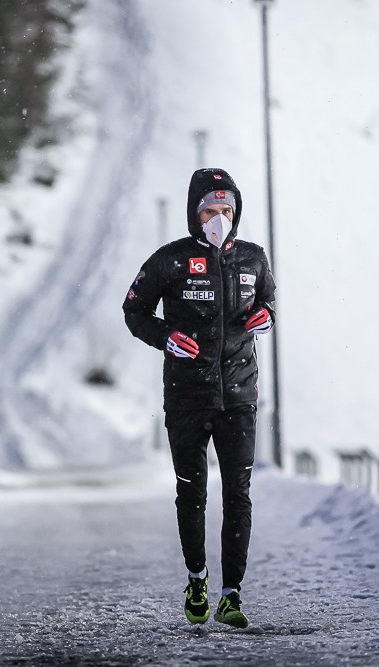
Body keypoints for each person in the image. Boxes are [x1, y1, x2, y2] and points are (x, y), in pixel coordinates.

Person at [122, 167, 275, 628]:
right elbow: (134, 310)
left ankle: (231, 595)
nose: (219, 219)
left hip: (239, 395)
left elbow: (268, 301)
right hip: (187, 396)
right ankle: (196, 579)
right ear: (194, 213)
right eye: (210, 211)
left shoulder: (253, 258)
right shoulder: (170, 260)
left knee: (238, 494)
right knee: (192, 491)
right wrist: (166, 337)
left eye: (227, 209)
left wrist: (267, 314)